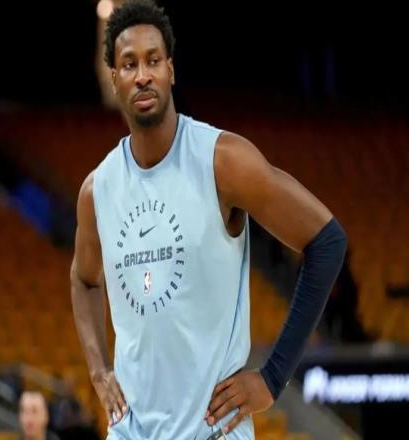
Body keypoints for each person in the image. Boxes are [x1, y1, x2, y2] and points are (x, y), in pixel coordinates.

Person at [70, 1, 347, 439]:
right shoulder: (97, 190)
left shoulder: (222, 161)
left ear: (171, 71)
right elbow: (84, 280)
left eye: (153, 60)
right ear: (114, 78)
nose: (143, 75)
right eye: (129, 64)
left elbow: (327, 241)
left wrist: (273, 377)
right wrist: (99, 370)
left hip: (213, 431)